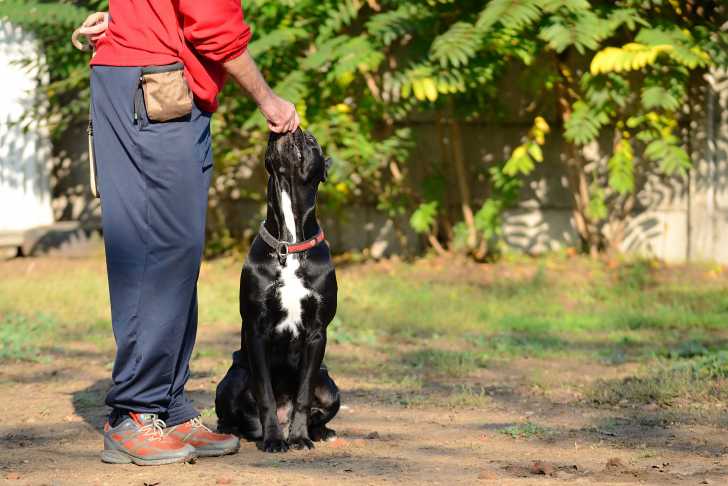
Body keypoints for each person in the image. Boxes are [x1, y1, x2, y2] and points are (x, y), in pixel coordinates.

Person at [76, 2, 299, 466]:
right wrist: (269, 100)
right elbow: (214, 24)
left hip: (157, 81)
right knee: (156, 250)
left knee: (176, 252)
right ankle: (134, 413)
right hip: (152, 87)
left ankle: (167, 407)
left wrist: (130, 18)